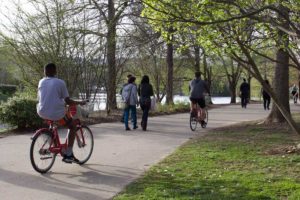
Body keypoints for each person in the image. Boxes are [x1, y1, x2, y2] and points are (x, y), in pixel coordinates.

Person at [37, 63, 87, 163]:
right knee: (72, 126)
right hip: (56, 113)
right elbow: (68, 101)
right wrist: (80, 102)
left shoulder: (41, 81)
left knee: (54, 122)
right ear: (55, 71)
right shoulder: (60, 82)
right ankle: (68, 154)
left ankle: (54, 142)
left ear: (45, 71)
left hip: (41, 111)